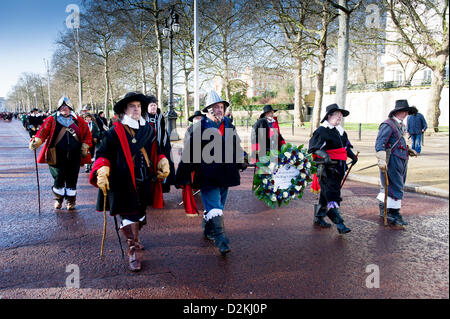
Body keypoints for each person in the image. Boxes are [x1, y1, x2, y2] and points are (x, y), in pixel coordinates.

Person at [89, 92, 170, 272]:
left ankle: (135, 238)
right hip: (122, 182)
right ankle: (133, 249)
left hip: (145, 180)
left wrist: (162, 159)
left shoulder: (149, 130)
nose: (136, 109)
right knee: (129, 214)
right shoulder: (114, 132)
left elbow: (156, 150)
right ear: (125, 109)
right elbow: (102, 154)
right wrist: (102, 167)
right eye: (132, 106)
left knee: (139, 213)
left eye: (139, 106)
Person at [176, 90, 248, 255]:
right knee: (215, 206)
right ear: (208, 110)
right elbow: (189, 154)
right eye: (216, 107)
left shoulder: (228, 124)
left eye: (221, 107)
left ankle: (208, 229)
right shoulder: (199, 128)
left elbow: (235, 145)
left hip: (227, 173)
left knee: (218, 207)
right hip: (207, 175)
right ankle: (222, 240)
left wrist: (243, 157)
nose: (220, 110)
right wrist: (183, 176)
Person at [28, 96, 92, 210]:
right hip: (56, 155)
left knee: (72, 177)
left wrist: (85, 145)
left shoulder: (79, 120)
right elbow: (42, 132)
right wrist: (37, 141)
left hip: (74, 154)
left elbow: (87, 134)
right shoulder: (51, 119)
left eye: (66, 107)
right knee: (59, 176)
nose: (64, 109)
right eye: (62, 107)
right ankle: (58, 198)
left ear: (70, 108)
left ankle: (71, 201)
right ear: (58, 108)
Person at [308, 104, 358, 234]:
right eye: (337, 115)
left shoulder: (341, 131)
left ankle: (318, 217)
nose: (340, 117)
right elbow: (314, 148)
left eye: (341, 116)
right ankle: (340, 224)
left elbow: (346, 148)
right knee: (332, 195)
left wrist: (352, 156)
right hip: (326, 169)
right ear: (329, 116)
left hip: (339, 167)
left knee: (326, 194)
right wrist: (325, 156)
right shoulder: (322, 131)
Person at [375, 100, 418, 226]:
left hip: (401, 159)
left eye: (407, 112)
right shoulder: (388, 124)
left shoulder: (400, 125)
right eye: (404, 111)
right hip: (392, 160)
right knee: (396, 186)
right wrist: (381, 159)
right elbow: (380, 143)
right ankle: (394, 212)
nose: (406, 114)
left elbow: (398, 142)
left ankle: (384, 207)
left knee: (391, 185)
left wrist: (408, 149)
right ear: (397, 112)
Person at [143, 95, 176, 194]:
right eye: (151, 105)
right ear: (147, 107)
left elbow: (162, 131)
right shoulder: (143, 117)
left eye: (155, 105)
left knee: (163, 168)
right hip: (147, 148)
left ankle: (159, 190)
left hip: (160, 146)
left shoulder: (160, 117)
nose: (154, 107)